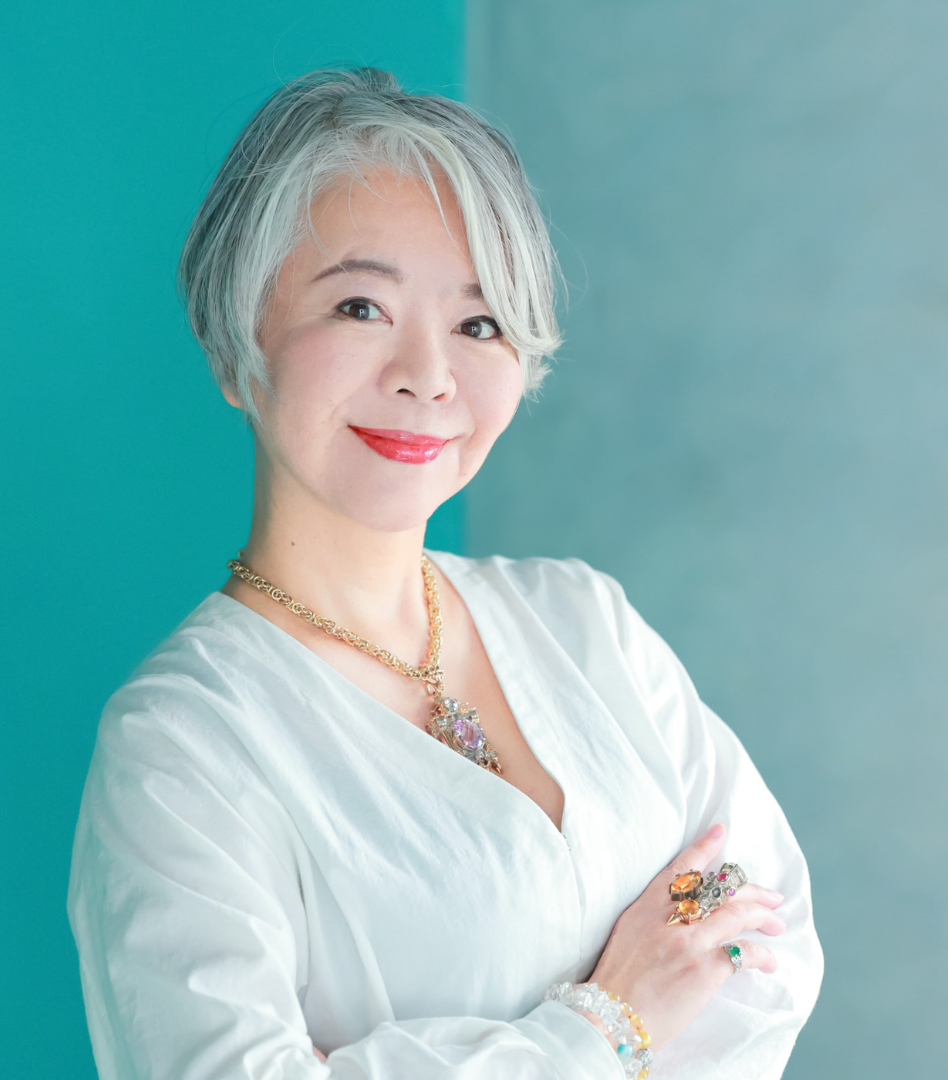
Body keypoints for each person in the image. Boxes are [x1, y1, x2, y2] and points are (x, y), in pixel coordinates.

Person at [67, 67, 823, 1080]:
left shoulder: (583, 621)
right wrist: (613, 1021)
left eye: (479, 323)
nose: (428, 375)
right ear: (238, 345)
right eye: (360, 307)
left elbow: (765, 947)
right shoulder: (184, 745)